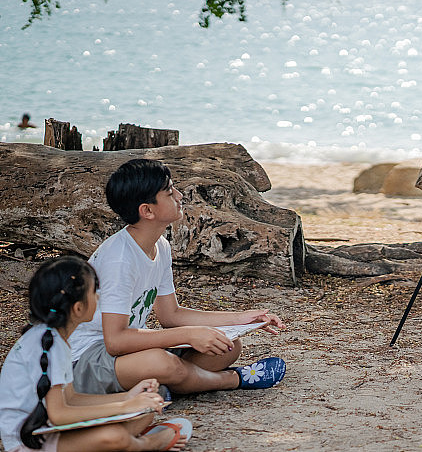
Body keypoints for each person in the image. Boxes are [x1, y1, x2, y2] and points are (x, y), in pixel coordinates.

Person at [69, 158, 287, 396]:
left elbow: (171, 315)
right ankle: (233, 379)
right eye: (169, 191)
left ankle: (167, 385)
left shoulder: (160, 246)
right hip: (85, 359)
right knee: (162, 363)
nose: (180, 195)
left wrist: (241, 319)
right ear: (147, 210)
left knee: (227, 346)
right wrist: (188, 335)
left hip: (127, 354)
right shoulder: (119, 258)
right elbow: (115, 341)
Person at [0, 256, 192, 452]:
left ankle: (126, 441)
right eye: (94, 292)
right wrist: (124, 407)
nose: (99, 297)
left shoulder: (55, 338)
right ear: (78, 308)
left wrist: (127, 398)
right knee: (113, 436)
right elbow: (58, 414)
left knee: (145, 412)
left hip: (50, 432)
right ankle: (146, 444)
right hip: (28, 444)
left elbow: (72, 398)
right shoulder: (50, 344)